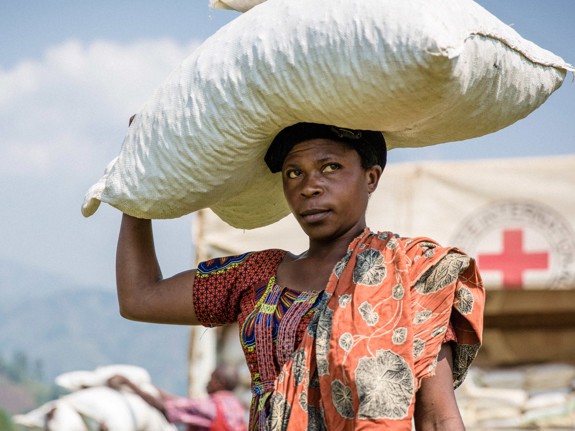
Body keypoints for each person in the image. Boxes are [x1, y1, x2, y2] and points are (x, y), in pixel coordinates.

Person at [115, 122, 484, 430]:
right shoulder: (257, 276)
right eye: (294, 172)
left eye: (330, 168)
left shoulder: (411, 272)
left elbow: (437, 417)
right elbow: (140, 297)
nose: (309, 186)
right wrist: (136, 181)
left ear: (371, 177)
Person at [107, 364, 247, 431]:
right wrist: (150, 388)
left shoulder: (211, 406)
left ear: (219, 382)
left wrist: (130, 385)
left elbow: (167, 409)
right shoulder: (234, 405)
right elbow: (182, 404)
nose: (207, 381)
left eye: (211, 378)